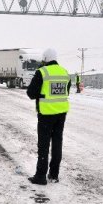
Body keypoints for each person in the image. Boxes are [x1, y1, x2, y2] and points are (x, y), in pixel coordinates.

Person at [26, 48, 71, 185]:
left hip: (46, 114)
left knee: (44, 145)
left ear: (45, 59)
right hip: (61, 114)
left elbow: (31, 93)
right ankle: (54, 174)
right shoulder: (65, 72)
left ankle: (40, 176)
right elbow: (66, 92)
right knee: (57, 143)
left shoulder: (42, 72)